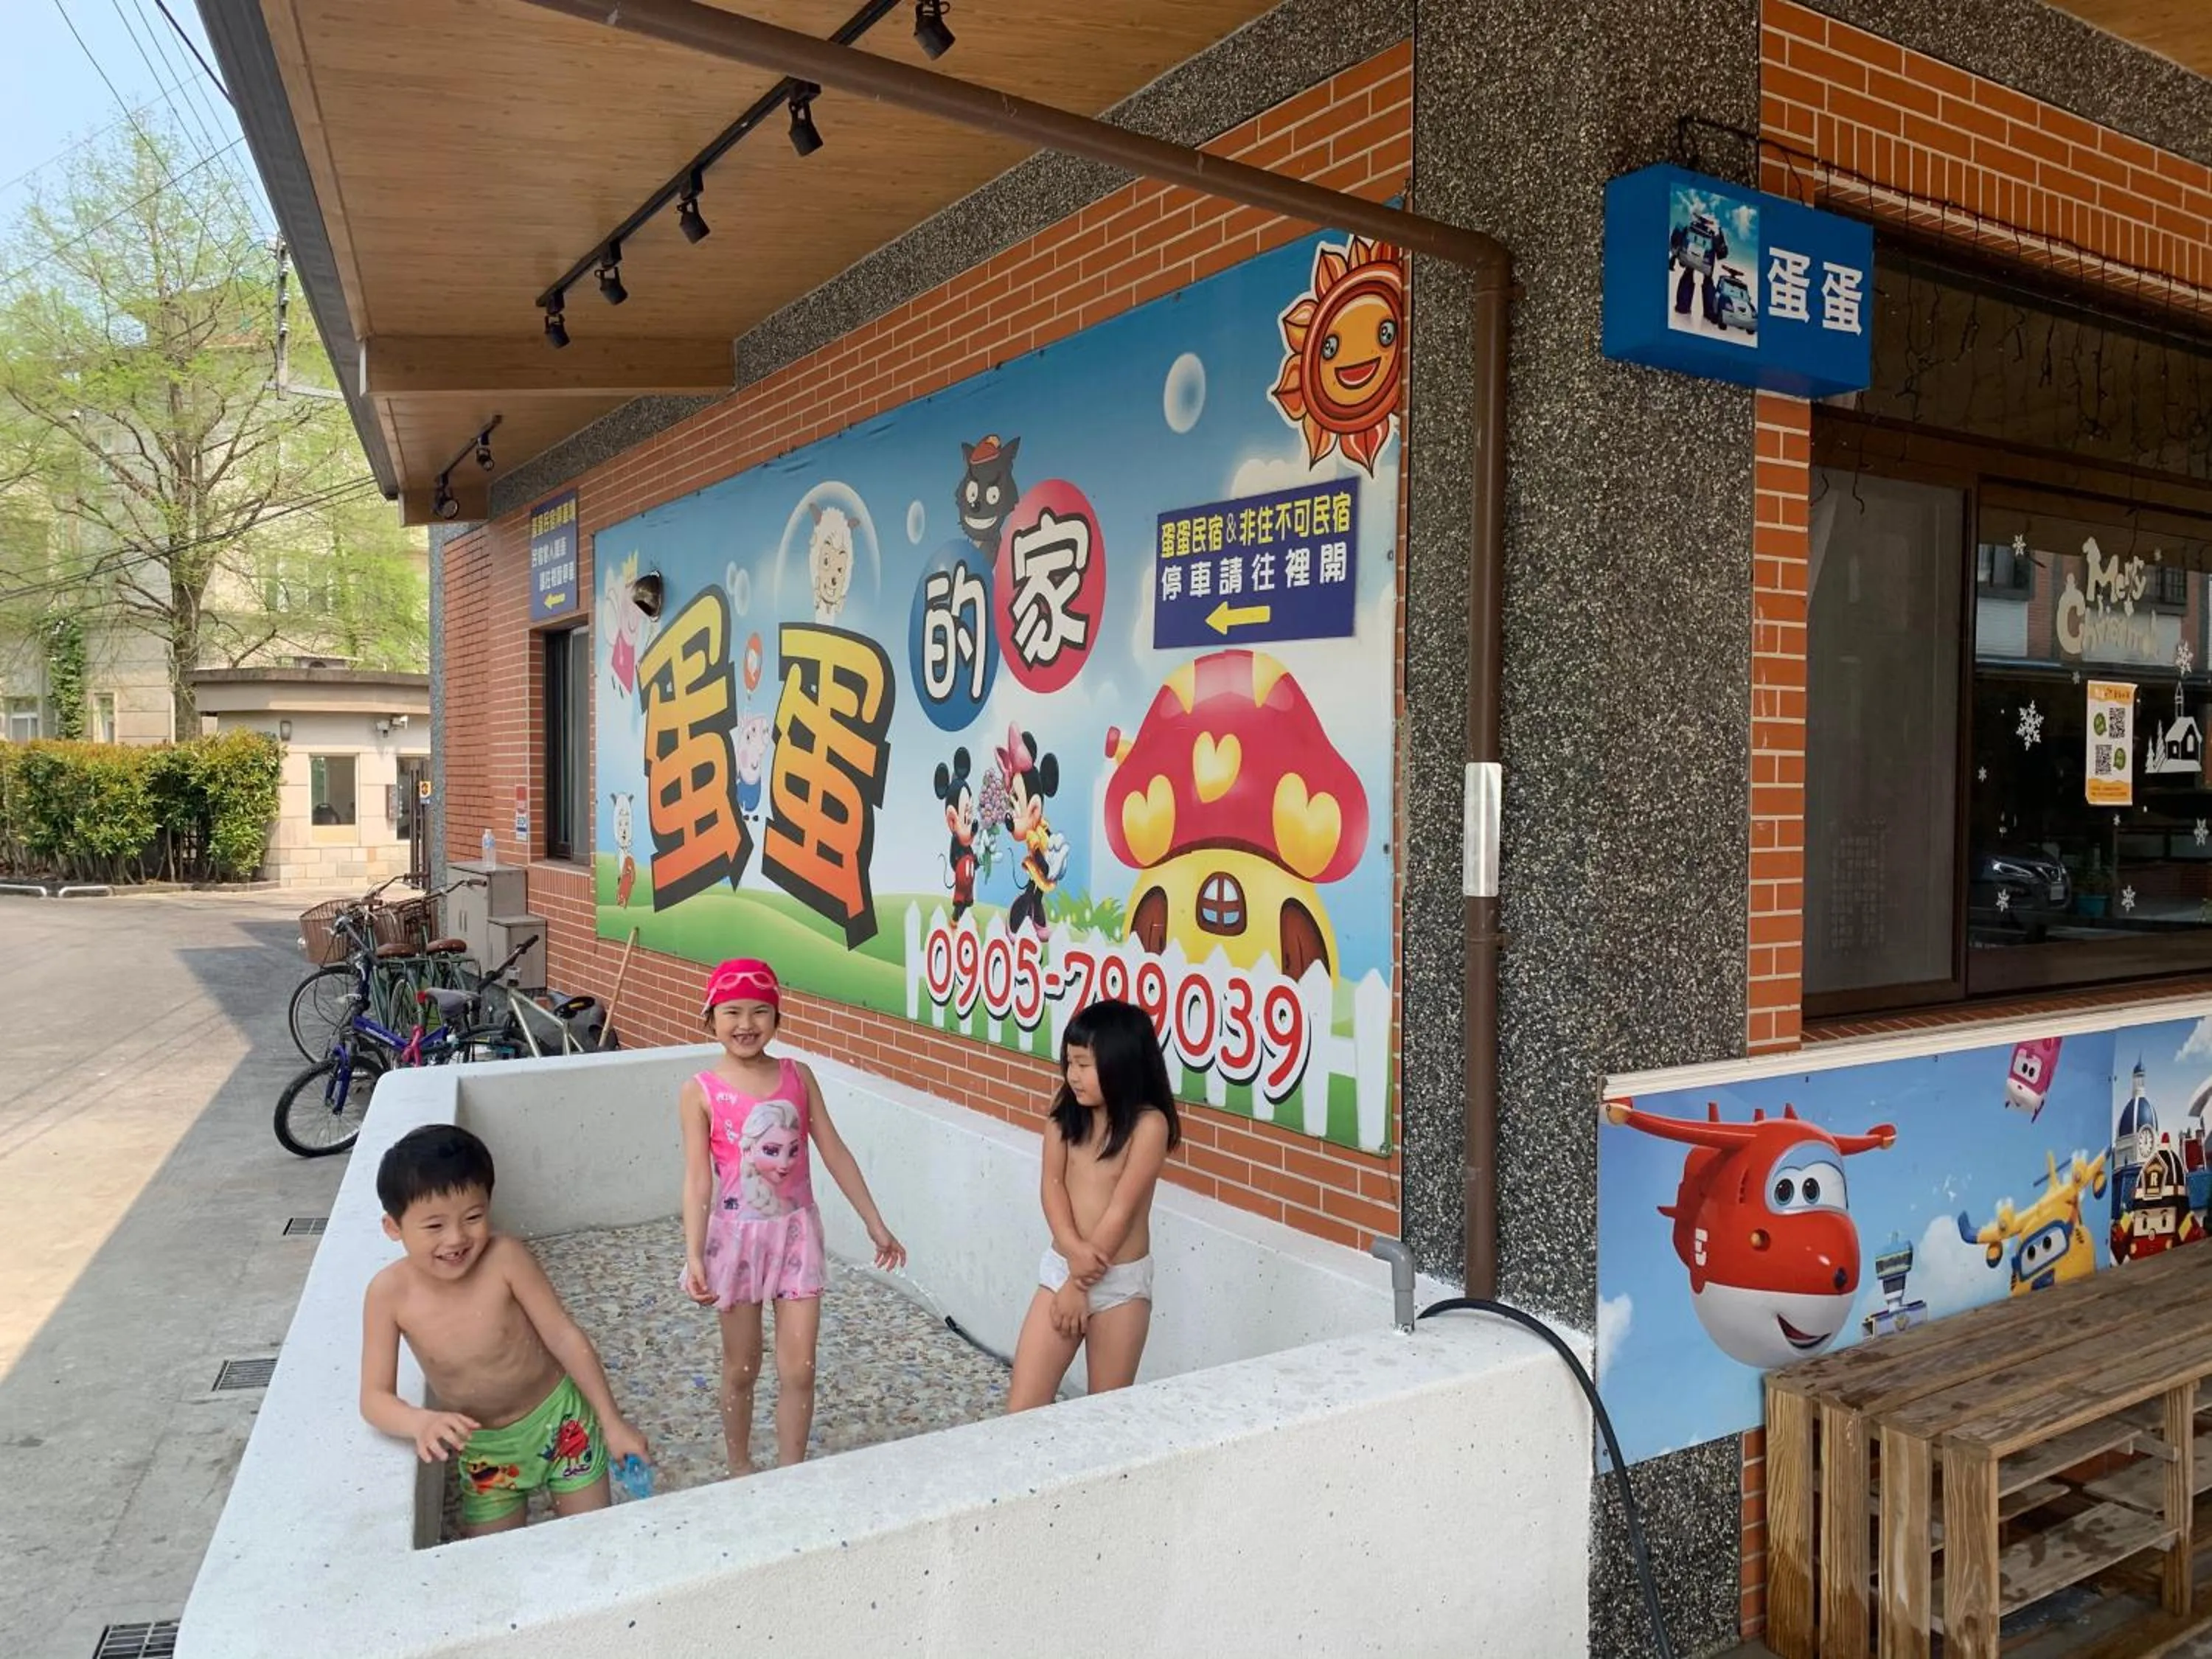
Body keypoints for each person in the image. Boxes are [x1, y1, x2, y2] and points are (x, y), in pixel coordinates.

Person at [358, 1124, 650, 1535]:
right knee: (498, 1562)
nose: (457, 1238)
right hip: (485, 1448)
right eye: (434, 1226)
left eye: (473, 1217)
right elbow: (374, 1398)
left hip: (561, 1420)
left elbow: (564, 1337)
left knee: (595, 1540)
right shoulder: (389, 1295)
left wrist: (612, 1421)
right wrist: (419, 1423)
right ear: (394, 1227)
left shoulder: (506, 1259)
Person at [679, 958, 906, 1475]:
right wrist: (694, 1252)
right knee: (742, 1366)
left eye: (761, 1011)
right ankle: (740, 1467)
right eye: (732, 1011)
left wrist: (874, 1221)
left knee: (799, 1368)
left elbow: (833, 1150)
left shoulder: (797, 1077)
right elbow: (697, 1179)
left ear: (778, 1017)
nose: (746, 1024)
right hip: (735, 1243)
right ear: (710, 1017)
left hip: (797, 1238)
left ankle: (790, 1474)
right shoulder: (700, 1092)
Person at [1006, 999, 1180, 1412]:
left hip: (1119, 1284)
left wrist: (1079, 1284)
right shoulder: (1064, 1112)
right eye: (1069, 1063)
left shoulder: (1148, 1126)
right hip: (1064, 1268)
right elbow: (1052, 1187)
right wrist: (1071, 1258)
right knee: (1021, 1409)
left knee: (1103, 1417)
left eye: (1085, 1065)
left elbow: (1122, 1210)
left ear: (1121, 1064)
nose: (1073, 1076)